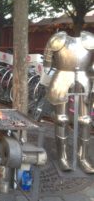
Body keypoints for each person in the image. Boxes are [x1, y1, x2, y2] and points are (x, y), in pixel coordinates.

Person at [43, 30, 94, 173]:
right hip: (62, 77)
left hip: (84, 77)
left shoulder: (90, 39)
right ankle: (62, 157)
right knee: (61, 119)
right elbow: (47, 64)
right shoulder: (57, 39)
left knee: (85, 121)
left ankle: (83, 157)